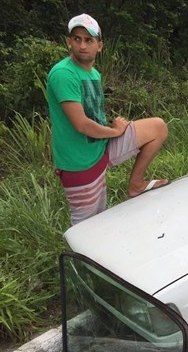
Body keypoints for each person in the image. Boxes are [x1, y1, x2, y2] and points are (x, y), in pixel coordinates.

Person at [47, 13, 169, 225]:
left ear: (99, 45)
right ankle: (75, 259)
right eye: (77, 39)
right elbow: (82, 124)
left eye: (89, 40)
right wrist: (115, 131)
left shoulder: (93, 74)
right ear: (69, 42)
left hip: (101, 148)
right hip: (79, 163)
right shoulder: (63, 74)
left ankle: (136, 184)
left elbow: (92, 114)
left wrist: (113, 125)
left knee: (157, 127)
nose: (82, 45)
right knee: (89, 226)